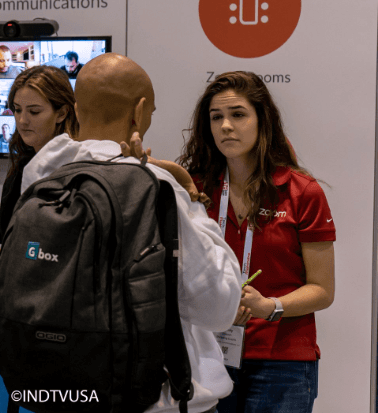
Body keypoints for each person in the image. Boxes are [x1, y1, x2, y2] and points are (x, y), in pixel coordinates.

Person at [20, 53, 241, 413]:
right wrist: (192, 199)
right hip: (153, 396)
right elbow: (218, 304)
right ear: (138, 112)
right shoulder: (156, 186)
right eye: (150, 112)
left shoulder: (40, 176)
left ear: (75, 109)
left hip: (61, 387)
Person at [178, 71, 335, 413]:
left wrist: (270, 307)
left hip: (283, 362)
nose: (225, 126)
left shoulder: (302, 191)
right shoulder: (195, 188)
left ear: (262, 120)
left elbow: (322, 290)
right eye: (216, 117)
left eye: (238, 114)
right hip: (208, 354)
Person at [0, 66, 78, 278]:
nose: (22, 121)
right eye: (17, 110)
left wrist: (15, 255)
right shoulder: (21, 166)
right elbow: (8, 242)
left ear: (62, 113)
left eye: (34, 111)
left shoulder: (79, 166)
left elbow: (70, 249)